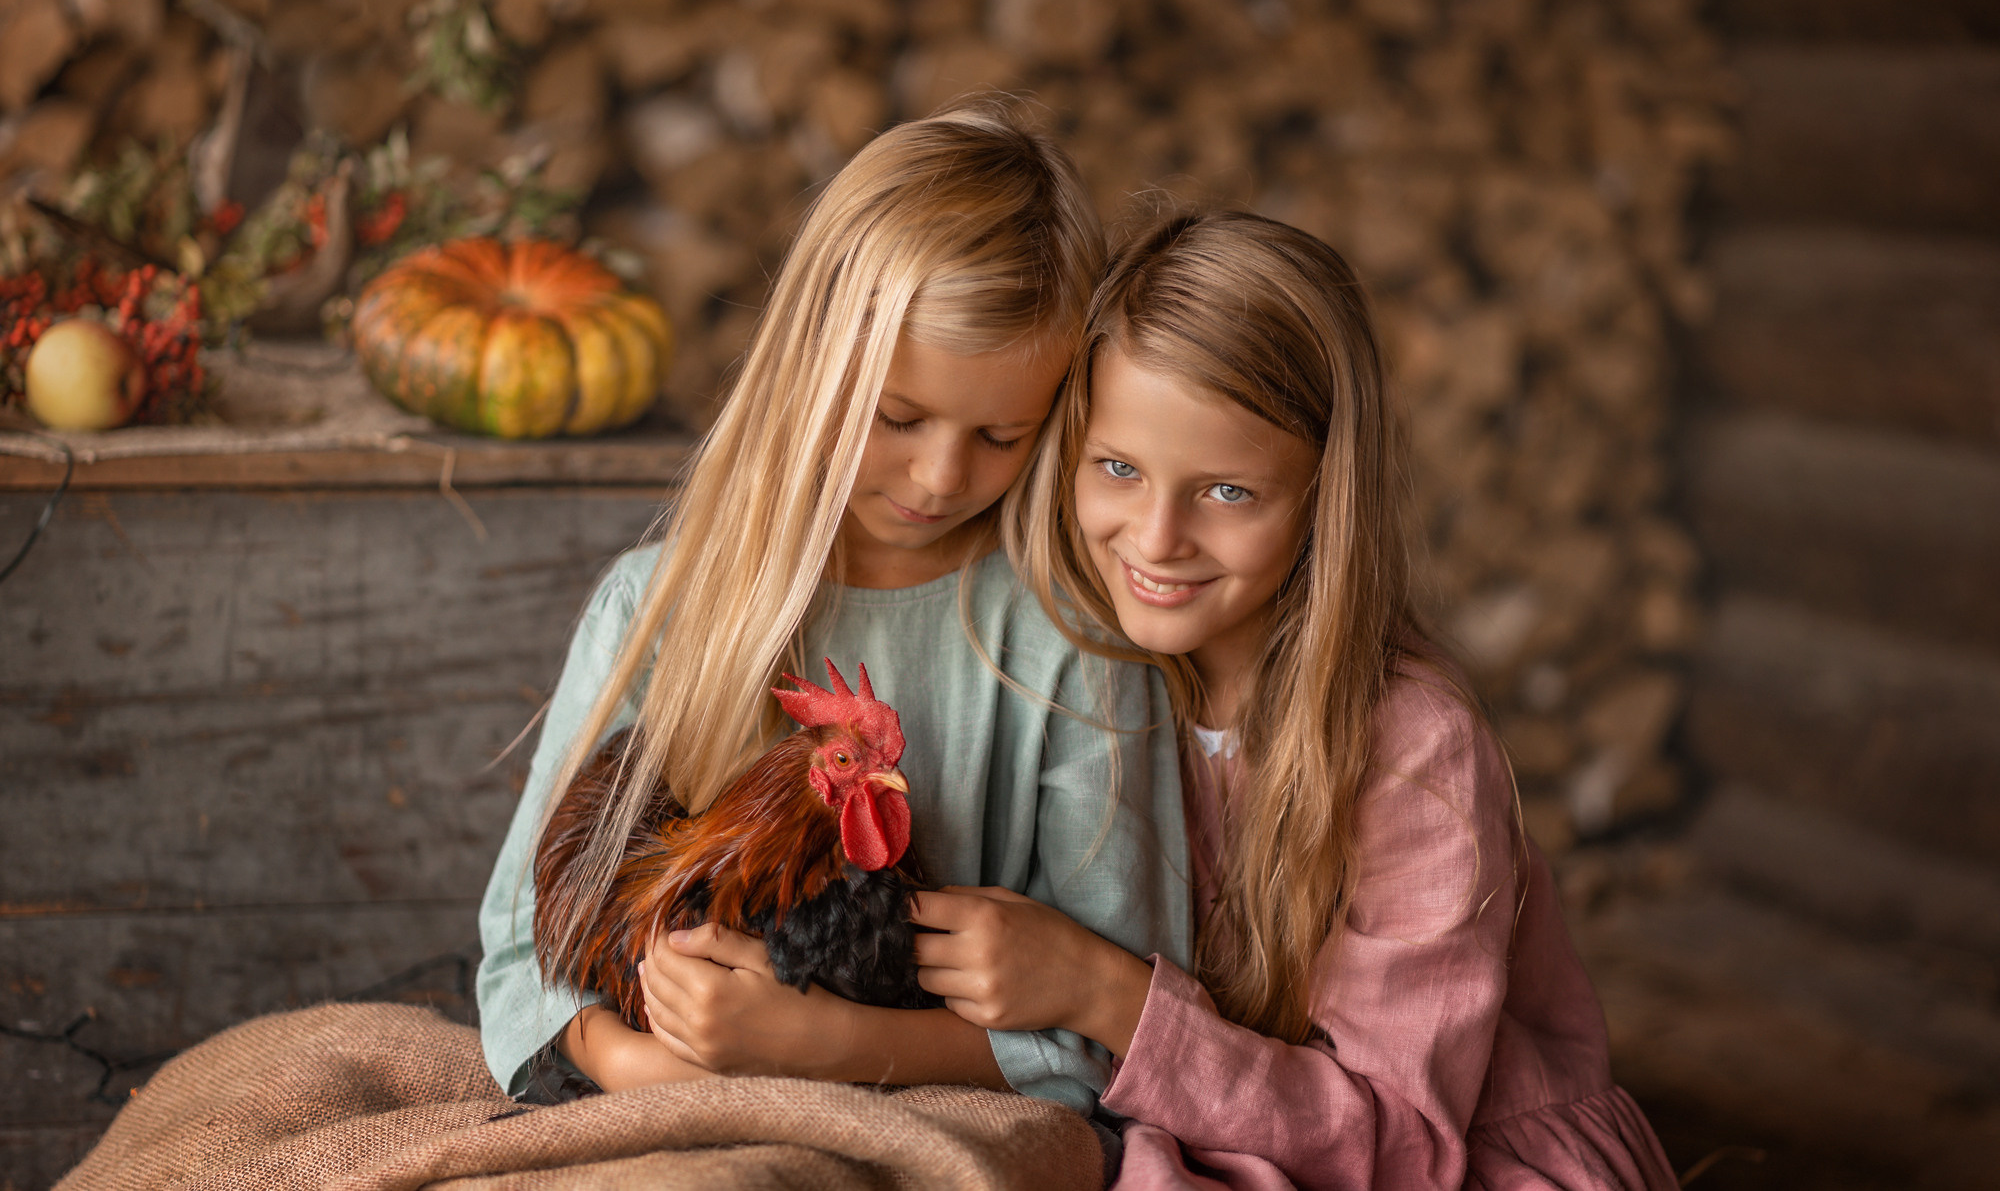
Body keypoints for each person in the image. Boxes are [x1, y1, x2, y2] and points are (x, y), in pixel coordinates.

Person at [911, 211, 1680, 1189]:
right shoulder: (1081, 668)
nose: (1153, 538)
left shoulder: (1411, 748)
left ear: (1324, 495)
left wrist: (1097, 989)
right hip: (1217, 1118)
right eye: (1117, 469)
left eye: (1226, 492)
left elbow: (1398, 1143)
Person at [476, 104, 1189, 1112]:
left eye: (1000, 434)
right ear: (813, 360)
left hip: (950, 1121)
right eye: (897, 417)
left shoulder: (1072, 647)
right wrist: (642, 1065)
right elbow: (518, 954)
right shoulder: (662, 608)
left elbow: (1107, 1029)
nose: (940, 475)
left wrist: (824, 1045)